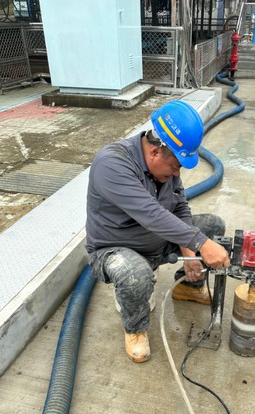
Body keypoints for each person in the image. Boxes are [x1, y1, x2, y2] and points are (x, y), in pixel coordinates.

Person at [86, 100, 230, 363]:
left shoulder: (166, 164)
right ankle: (136, 328)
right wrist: (200, 244)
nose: (177, 173)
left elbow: (180, 206)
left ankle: (188, 286)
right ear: (155, 152)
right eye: (176, 166)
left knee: (213, 226)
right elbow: (150, 214)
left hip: (158, 242)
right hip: (117, 250)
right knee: (136, 274)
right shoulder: (112, 164)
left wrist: (190, 250)